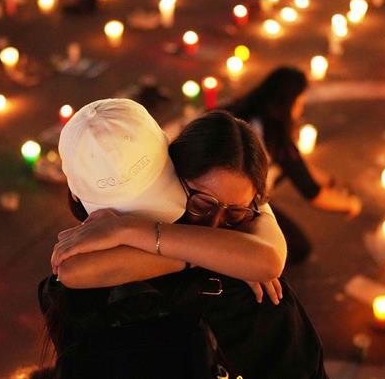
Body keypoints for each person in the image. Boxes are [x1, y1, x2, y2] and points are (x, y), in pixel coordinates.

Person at [40, 99, 327, 379]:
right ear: (171, 159)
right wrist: (215, 257)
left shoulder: (247, 248)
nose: (214, 225)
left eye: (237, 213)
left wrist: (125, 229)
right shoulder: (235, 279)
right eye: (201, 203)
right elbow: (72, 272)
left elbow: (267, 260)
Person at [225, 66, 362, 264]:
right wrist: (350, 205)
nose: (301, 109)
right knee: (298, 247)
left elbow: (297, 166)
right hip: (238, 206)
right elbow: (312, 193)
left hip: (211, 191)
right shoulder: (274, 136)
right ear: (287, 105)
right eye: (299, 103)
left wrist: (331, 181)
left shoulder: (240, 110)